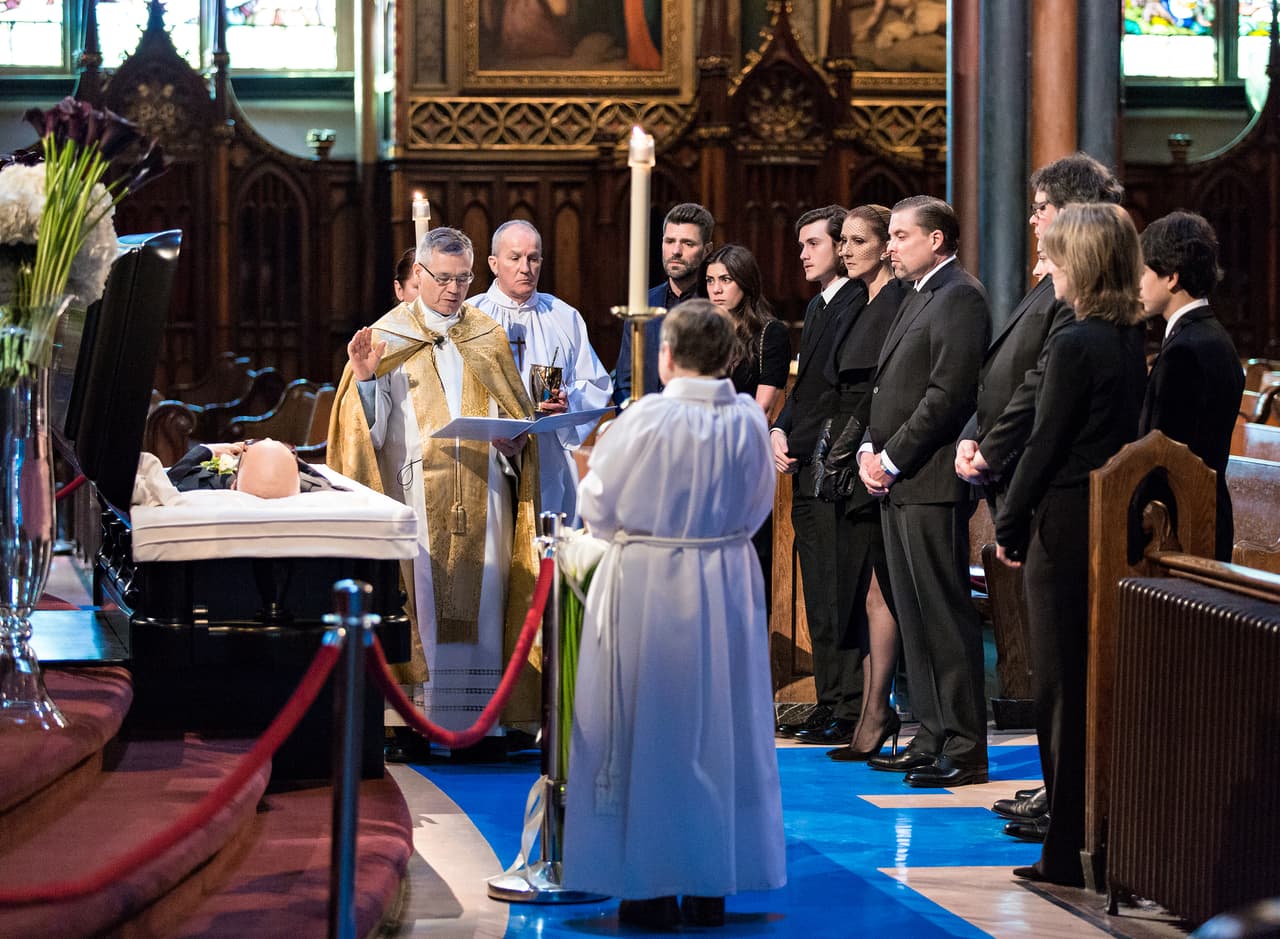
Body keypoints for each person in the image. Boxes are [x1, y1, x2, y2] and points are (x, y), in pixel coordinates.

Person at [563, 300, 785, 929]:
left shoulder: (642, 421)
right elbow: (758, 505)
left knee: (647, 731)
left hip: (648, 589)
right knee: (720, 729)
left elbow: (600, 513)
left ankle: (648, 886)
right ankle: (711, 883)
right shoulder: (747, 420)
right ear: (730, 359)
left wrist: (587, 474)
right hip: (725, 583)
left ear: (666, 356)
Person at [952, 152, 1123, 823]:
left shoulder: (1080, 308)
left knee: (1060, 662)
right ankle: (1055, 787)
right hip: (1022, 476)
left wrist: (992, 451)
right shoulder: (1050, 286)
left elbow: (1041, 390)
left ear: (1071, 213)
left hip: (1049, 485)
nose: (1031, 219)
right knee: (1046, 662)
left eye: (1041, 207)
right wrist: (978, 432)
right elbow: (1004, 373)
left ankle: (1066, 798)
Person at [327, 227, 541, 748]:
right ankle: (411, 722)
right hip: (415, 495)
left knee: (486, 604)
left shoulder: (487, 334)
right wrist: (367, 380)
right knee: (420, 603)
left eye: (463, 278)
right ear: (418, 275)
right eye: (443, 278)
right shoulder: (383, 337)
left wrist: (515, 448)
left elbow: (515, 413)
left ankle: (483, 723)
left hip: (485, 491)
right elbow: (362, 436)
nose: (453, 289)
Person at [994, 202, 1148, 888]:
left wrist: (1007, 518)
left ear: (1080, 263)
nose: (1043, 266)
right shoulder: (1125, 338)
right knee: (1079, 687)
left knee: (1058, 688)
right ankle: (1082, 836)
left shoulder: (1078, 340)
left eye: (1053, 256)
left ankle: (1062, 850)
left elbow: (1045, 441)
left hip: (1060, 519)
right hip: (1098, 519)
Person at [857, 195, 990, 787]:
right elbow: (889, 388)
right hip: (899, 480)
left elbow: (947, 394)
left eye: (901, 236)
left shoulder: (961, 296)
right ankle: (931, 731)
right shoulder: (919, 294)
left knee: (942, 613)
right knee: (912, 614)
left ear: (936, 240)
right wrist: (867, 448)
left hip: (930, 479)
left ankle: (963, 745)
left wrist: (890, 457)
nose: (890, 246)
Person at [771, 205, 870, 746]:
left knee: (840, 591)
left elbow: (842, 396)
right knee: (818, 592)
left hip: (833, 467)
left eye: (814, 243)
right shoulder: (819, 305)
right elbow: (804, 388)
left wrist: (803, 439)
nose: (804, 254)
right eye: (801, 243)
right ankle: (830, 700)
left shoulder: (859, 301)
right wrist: (778, 430)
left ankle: (849, 705)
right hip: (804, 461)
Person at [822, 205, 907, 763]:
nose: (846, 250)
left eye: (859, 241)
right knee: (866, 590)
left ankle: (879, 709)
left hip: (878, 454)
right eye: (843, 241)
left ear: (885, 248)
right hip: (852, 454)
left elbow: (889, 385)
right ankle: (874, 708)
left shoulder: (899, 300)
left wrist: (869, 451)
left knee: (882, 589)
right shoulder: (859, 300)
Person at [471, 219, 613, 521]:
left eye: (533, 258)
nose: (526, 267)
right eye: (515, 257)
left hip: (547, 458)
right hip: (485, 460)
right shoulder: (471, 317)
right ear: (494, 263)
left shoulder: (563, 316)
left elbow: (596, 384)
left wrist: (568, 400)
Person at [1138, 210, 1242, 562]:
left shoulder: (1187, 350)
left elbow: (1165, 457)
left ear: (1171, 276)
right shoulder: (1210, 336)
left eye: (1145, 270)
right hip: (1204, 518)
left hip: (1181, 532)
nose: (1137, 281)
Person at [612, 202, 713, 403]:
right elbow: (624, 381)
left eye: (688, 243)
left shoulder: (714, 307)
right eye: (669, 241)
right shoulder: (642, 303)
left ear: (707, 250)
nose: (676, 251)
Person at [704, 243, 790, 413]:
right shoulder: (705, 332)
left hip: (745, 431)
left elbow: (762, 408)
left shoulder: (771, 333)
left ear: (745, 282)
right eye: (710, 281)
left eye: (725, 280)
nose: (716, 290)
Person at [166, 439, 337, 496]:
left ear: (234, 484)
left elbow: (167, 481)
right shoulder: (315, 489)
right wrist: (285, 457)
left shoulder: (206, 485)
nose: (268, 438)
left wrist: (206, 450)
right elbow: (325, 483)